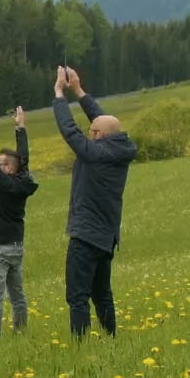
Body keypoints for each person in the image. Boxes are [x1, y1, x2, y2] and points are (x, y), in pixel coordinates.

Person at [52, 66, 137, 338]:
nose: (89, 132)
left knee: (77, 295)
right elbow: (103, 121)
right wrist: (78, 90)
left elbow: (70, 132)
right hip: (106, 237)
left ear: (98, 136)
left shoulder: (96, 154)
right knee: (102, 294)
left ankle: (79, 346)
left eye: (92, 131)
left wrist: (59, 96)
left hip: (86, 235)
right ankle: (111, 337)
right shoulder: (119, 148)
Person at [0, 102, 39, 338]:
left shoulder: (3, 184)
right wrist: (20, 128)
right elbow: (24, 160)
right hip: (15, 247)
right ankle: (20, 332)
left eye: (3, 164)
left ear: (10, 170)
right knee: (17, 295)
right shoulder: (21, 182)